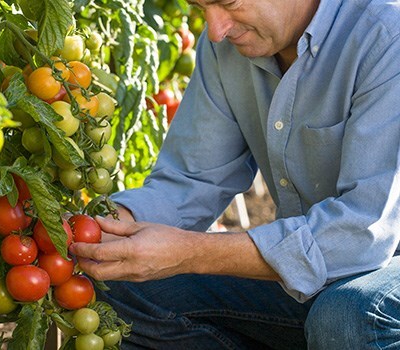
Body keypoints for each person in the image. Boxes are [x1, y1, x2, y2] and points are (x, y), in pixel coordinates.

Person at [69, 0, 400, 348]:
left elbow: (363, 233)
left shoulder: (385, 35)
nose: (215, 29)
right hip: (324, 278)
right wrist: (105, 228)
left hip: (382, 270)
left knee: (351, 316)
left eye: (229, 3)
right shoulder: (225, 45)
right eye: (201, 6)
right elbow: (191, 179)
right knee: (120, 286)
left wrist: (190, 252)